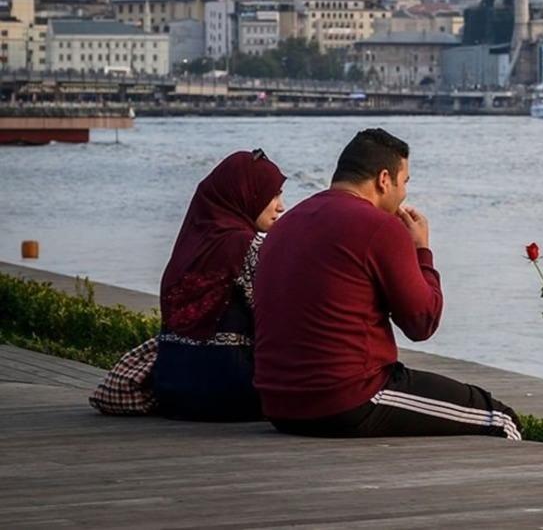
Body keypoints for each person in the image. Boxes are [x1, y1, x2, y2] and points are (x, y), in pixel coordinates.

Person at [253, 128, 520, 440]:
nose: (404, 193)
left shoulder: (287, 224)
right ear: (384, 179)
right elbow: (422, 322)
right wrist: (421, 249)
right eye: (404, 181)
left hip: (278, 405)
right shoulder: (379, 226)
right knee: (501, 417)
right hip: (349, 398)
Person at [91, 149, 286, 419]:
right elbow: (275, 319)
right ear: (245, 195)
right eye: (272, 194)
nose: (281, 206)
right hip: (232, 391)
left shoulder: (190, 245)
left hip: (172, 389)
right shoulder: (248, 245)